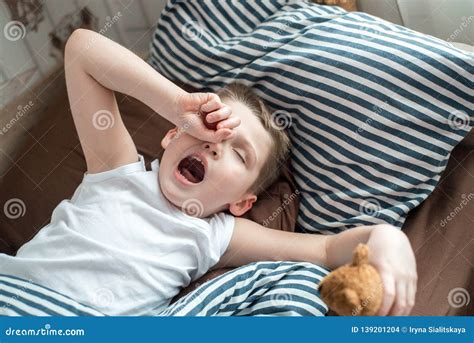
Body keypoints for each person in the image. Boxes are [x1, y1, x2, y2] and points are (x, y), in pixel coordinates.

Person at [0, 29, 417, 316]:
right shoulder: (117, 170)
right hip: (19, 296)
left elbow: (325, 252)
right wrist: (178, 104)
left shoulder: (217, 233)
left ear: (243, 202)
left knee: (297, 284)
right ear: (170, 136)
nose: (215, 143)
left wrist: (386, 237)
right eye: (213, 126)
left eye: (239, 153)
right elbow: (81, 49)